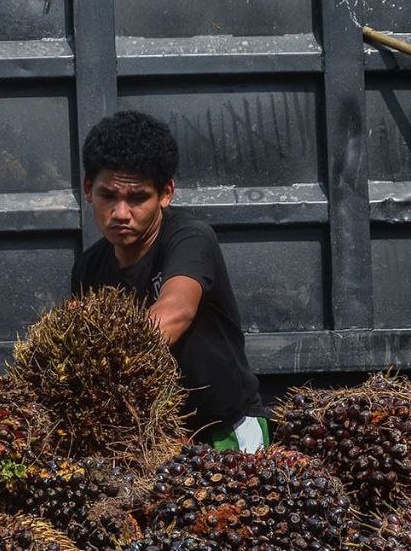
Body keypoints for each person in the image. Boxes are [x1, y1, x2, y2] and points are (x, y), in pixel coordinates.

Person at [71, 110, 267, 452]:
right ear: (89, 189)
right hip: (148, 441)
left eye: (137, 198)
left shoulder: (190, 238)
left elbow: (176, 310)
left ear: (165, 193)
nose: (120, 213)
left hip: (224, 432)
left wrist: (104, 361)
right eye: (108, 196)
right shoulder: (89, 268)